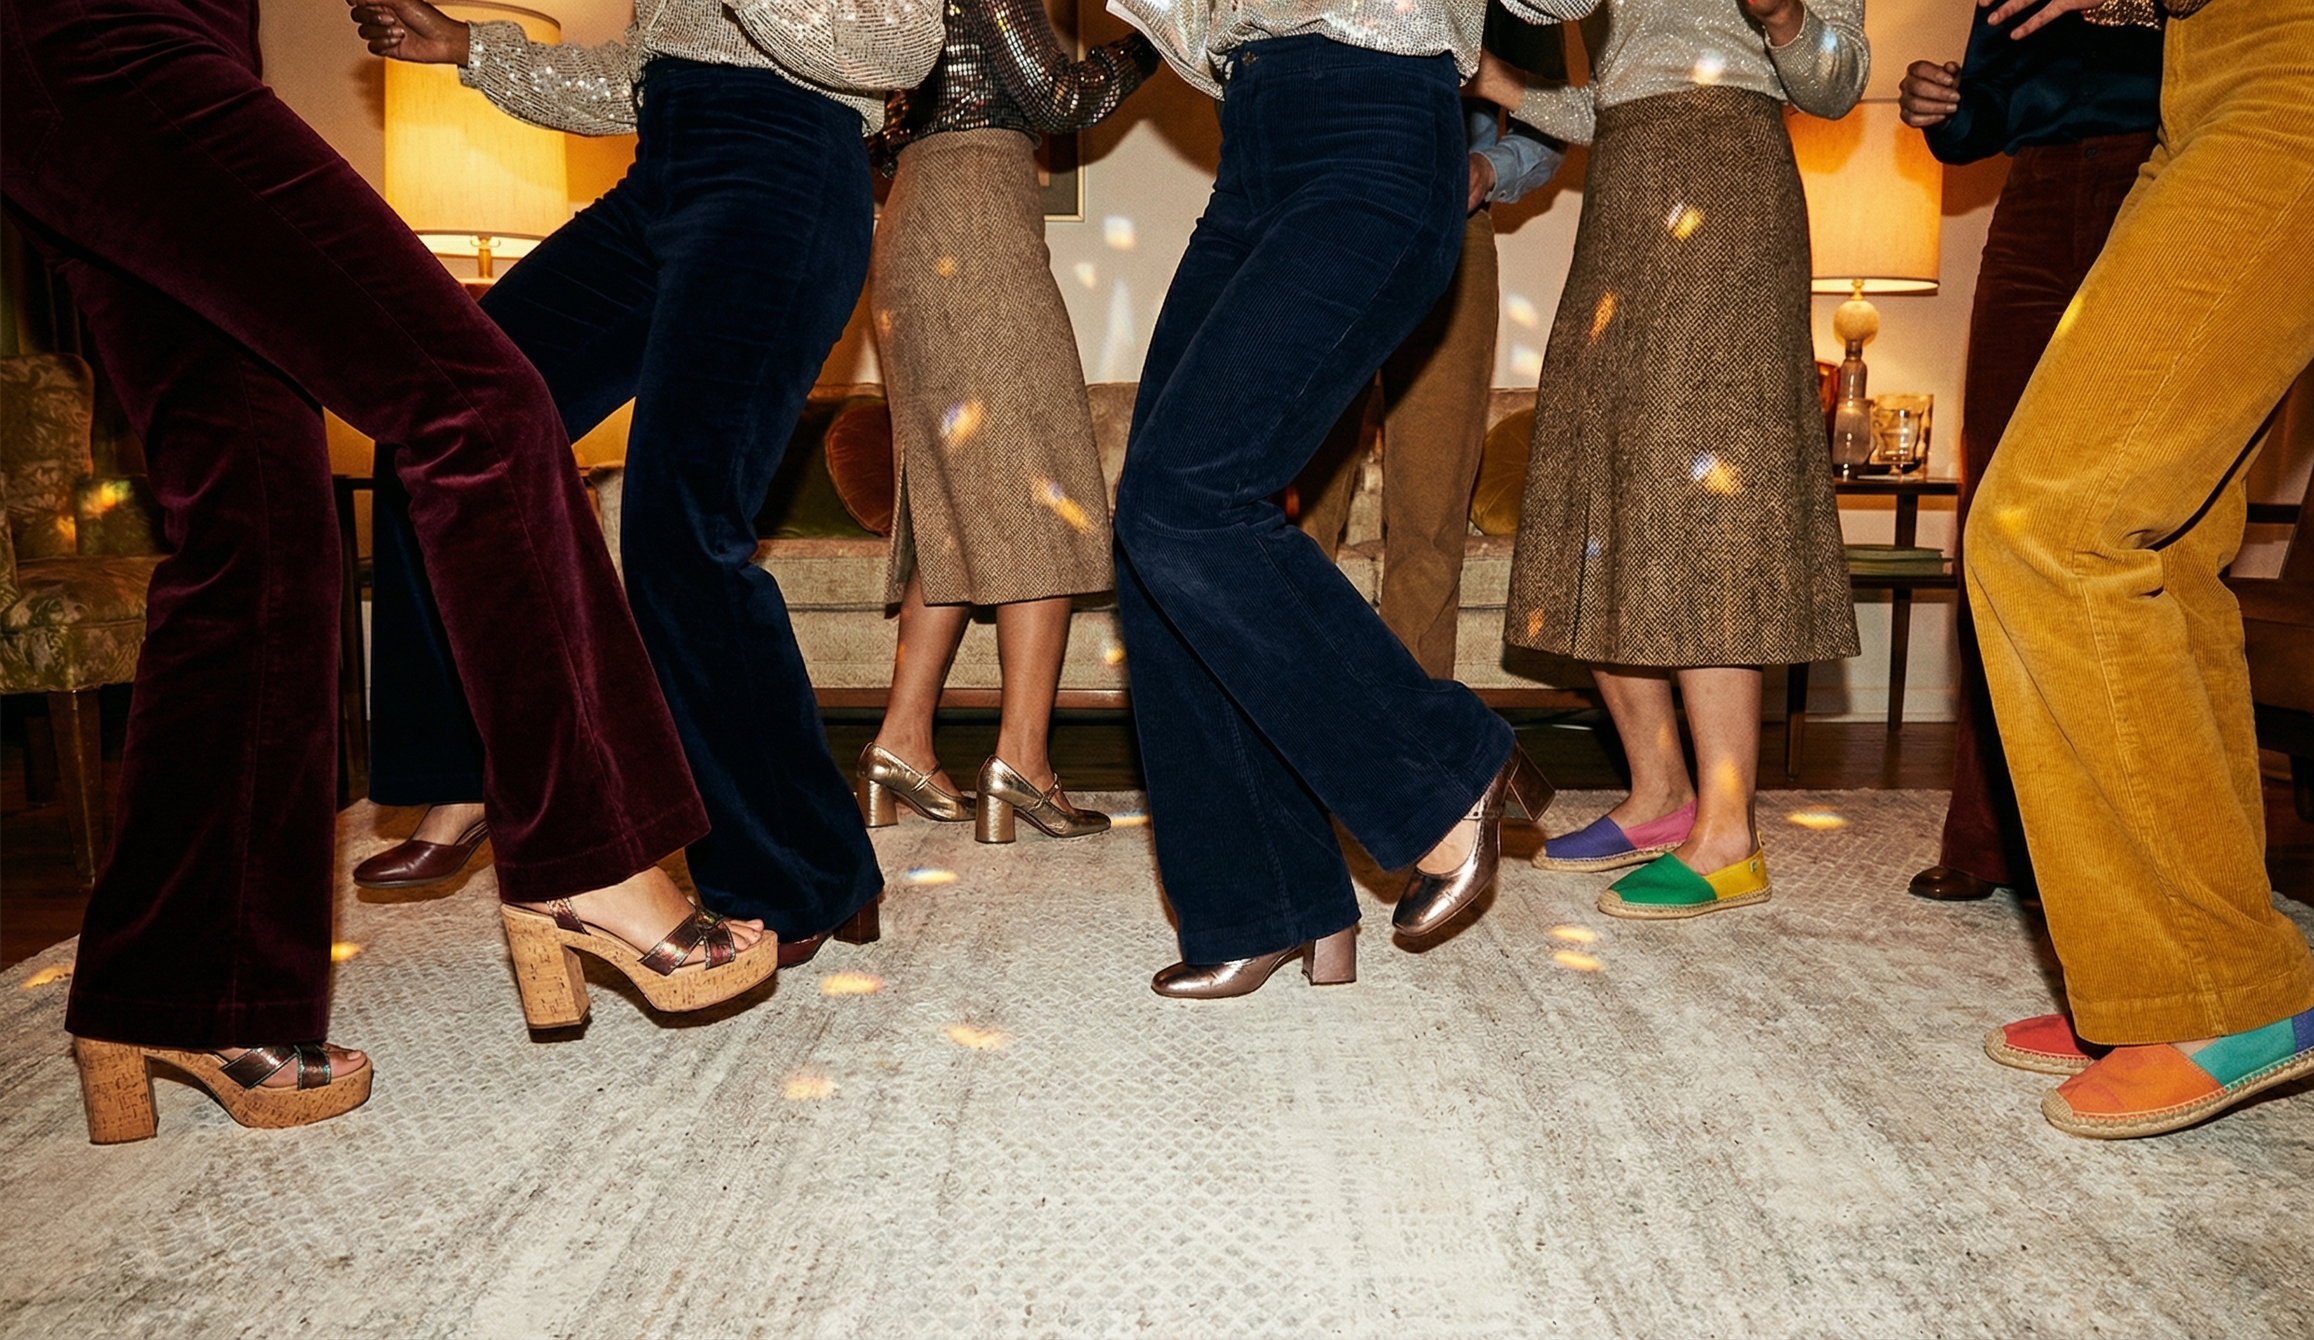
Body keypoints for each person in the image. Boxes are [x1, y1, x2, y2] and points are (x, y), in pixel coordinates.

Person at [2, 0, 769, 1143]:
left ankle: (180, 986)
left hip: (141, 45)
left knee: (258, 530)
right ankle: (590, 853)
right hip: (103, 32)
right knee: (478, 404)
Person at [346, 0, 943, 966]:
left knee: (679, 537)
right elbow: (645, 70)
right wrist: (471, 47)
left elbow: (899, 44)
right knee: (442, 413)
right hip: (664, 168)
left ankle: (805, 871)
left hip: (785, 172)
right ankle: (474, 768)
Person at [1106, 0, 1595, 1002]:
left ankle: (1442, 769)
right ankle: (1271, 905)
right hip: (1253, 137)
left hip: (1377, 121)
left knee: (1188, 497)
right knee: (1152, 527)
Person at [1960, 0, 2314, 1138]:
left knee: (2051, 522)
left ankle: (2225, 992)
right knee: (2171, 544)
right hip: (2196, 75)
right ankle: (2167, 977)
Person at [1474, 0, 1866, 918]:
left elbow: (1838, 80)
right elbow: (1612, 96)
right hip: (1622, 191)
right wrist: (1494, 79)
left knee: (1702, 491)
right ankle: (1659, 794)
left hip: (1729, 188)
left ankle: (1729, 834)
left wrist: (1785, 17)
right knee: (1601, 480)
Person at [857, 0, 1155, 845]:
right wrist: (1149, 46)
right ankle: (1023, 759)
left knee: (948, 500)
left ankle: (902, 742)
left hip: (910, 219)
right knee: (1042, 486)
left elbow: (875, 135)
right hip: (976, 215)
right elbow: (1061, 97)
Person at [1895, 1, 2162, 904]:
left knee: (2124, 513)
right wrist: (1946, 107)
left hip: (2167, 178)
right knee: (1994, 514)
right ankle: (1984, 836)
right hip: (2035, 199)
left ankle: (2124, 848)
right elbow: (1989, 109)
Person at [1293, 4, 1567, 681]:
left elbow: (1557, 119)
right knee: (1301, 508)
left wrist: (1488, 168)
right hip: (1329, 220)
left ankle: (1413, 730)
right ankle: (1292, 708)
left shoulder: (1522, 4)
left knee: (1433, 516)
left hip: (1452, 232)